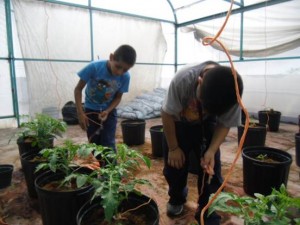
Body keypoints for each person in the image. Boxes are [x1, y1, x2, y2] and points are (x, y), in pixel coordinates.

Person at [161, 61, 243, 225]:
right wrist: (173, 147)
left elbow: (225, 123)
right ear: (200, 81)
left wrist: (211, 150)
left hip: (207, 125)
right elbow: (167, 113)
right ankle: (177, 198)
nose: (204, 110)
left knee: (211, 170)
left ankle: (207, 209)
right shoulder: (182, 80)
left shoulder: (232, 91)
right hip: (178, 123)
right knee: (174, 165)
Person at [74, 45, 136, 151]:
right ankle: (100, 166)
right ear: (111, 57)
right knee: (94, 144)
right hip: (90, 111)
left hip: (109, 112)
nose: (120, 72)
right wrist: (80, 113)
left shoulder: (125, 77)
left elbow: (118, 98)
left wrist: (107, 111)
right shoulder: (94, 67)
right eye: (118, 66)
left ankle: (111, 167)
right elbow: (78, 89)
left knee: (108, 144)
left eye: (125, 70)